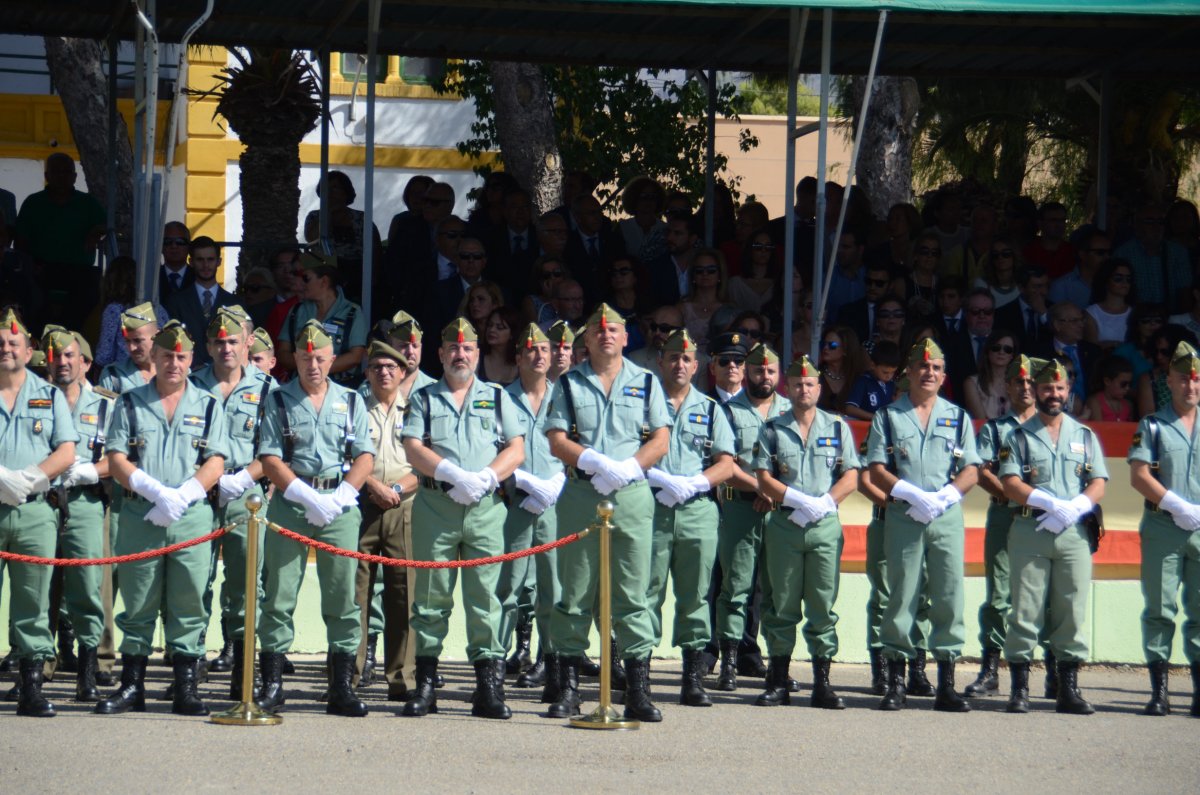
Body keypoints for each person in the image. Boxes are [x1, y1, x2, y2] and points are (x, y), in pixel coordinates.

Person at [544, 304, 670, 721]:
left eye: (613, 329)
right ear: (586, 339)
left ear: (626, 337)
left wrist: (629, 468)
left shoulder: (646, 382)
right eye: (597, 330)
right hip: (583, 493)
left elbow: (661, 438)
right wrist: (593, 462)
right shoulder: (569, 383)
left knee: (633, 594)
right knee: (575, 592)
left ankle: (638, 691)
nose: (605, 335)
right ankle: (569, 690)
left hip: (632, 495)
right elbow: (556, 439)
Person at [96, 320, 227, 718]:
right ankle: (132, 686)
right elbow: (116, 457)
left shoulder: (208, 404)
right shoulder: (130, 402)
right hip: (141, 513)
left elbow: (216, 460)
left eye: (181, 357)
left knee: (189, 601)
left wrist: (182, 496)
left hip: (191, 515)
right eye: (167, 355)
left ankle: (185, 688)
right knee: (137, 601)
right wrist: (156, 492)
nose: (174, 363)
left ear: (191, 359)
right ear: (153, 356)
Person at [400, 318, 524, 719]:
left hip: (485, 509)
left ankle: (488, 688)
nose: (460, 355)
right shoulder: (424, 398)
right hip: (436, 506)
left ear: (477, 353)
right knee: (430, 598)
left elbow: (516, 449)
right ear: (440, 354)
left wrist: (485, 477)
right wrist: (452, 474)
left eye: (467, 348)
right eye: (453, 349)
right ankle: (425, 686)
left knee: (485, 599)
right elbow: (412, 447)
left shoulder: (497, 396)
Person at [256, 320, 374, 718]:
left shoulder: (351, 400)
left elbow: (365, 455)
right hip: (292, 502)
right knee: (278, 595)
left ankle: (341, 686)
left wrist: (342, 495)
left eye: (321, 358)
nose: (313, 365)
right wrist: (305, 495)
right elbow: (270, 457)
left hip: (338, 505)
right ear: (296, 358)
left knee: (343, 597)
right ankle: (273, 685)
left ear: (333, 358)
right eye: (306, 358)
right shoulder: (278, 400)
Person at [866, 338, 981, 712]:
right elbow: (876, 468)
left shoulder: (958, 417)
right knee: (901, 594)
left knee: (949, 594)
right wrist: (912, 495)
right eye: (923, 366)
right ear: (910, 372)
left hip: (945, 516)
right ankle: (896, 682)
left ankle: (946, 684)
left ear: (944, 376)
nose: (929, 372)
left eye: (936, 368)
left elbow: (971, 469)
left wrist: (944, 497)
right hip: (905, 516)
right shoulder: (888, 416)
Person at [998, 356, 1107, 715]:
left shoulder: (1084, 435)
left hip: (1074, 532)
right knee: (1025, 609)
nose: (1054, 394)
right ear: (1035, 390)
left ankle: (1068, 689)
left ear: (1068, 390)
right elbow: (1009, 481)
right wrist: (1047, 502)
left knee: (1071, 609)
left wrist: (1076, 507)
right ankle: (1020, 689)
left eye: (1059, 387)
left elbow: (1097, 481)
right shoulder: (1018, 435)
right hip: (1031, 528)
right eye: (1047, 388)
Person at [752, 354, 860, 708]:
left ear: (819, 387)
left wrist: (825, 502)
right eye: (797, 384)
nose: (803, 389)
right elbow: (763, 476)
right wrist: (796, 499)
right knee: (781, 603)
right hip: (785, 524)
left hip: (824, 526)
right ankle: (778, 680)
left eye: (809, 384)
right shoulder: (772, 428)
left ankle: (823, 684)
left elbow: (851, 475)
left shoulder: (837, 427)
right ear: (788, 388)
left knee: (822, 604)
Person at [188, 308, 276, 699]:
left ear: (247, 343)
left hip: (246, 495)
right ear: (208, 346)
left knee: (246, 585)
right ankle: (189, 668)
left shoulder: (268, 388)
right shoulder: (191, 385)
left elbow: (275, 447)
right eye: (218, 342)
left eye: (233, 341)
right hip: (198, 495)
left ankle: (243, 672)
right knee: (193, 582)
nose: (226, 348)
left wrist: (240, 479)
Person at [645, 329, 734, 707]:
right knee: (645, 592)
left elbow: (726, 463)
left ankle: (692, 678)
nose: (679, 365)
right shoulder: (643, 405)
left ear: (696, 366)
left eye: (686, 359)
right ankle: (638, 676)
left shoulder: (711, 409)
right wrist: (658, 478)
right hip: (651, 507)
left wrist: (695, 483)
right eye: (672, 358)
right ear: (660, 362)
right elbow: (625, 452)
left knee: (696, 594)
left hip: (697, 510)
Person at [0, 309, 75, 717]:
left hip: (34, 511)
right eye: (0, 343)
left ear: (29, 352)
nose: (6, 349)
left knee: (34, 602)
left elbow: (66, 451)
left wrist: (28, 479)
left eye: (14, 343)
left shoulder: (50, 395)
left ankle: (30, 688)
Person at [354, 332, 428, 703]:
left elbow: (425, 462)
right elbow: (345, 454)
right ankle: (349, 676)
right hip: (361, 503)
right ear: (367, 372)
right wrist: (372, 485)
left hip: (404, 505)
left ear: (402, 372)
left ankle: (402, 678)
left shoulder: (417, 408)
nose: (384, 372)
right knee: (355, 595)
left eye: (390, 366)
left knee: (403, 594)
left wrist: (395, 490)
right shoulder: (354, 406)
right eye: (376, 367)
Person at [42, 327, 114, 702]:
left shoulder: (106, 406)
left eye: (70, 355)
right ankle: (36, 668)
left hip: (85, 501)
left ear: (85, 362)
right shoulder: (34, 400)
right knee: (38, 588)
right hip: (40, 501)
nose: (63, 362)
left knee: (87, 587)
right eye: (56, 356)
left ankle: (88, 672)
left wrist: (92, 470)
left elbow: (123, 458)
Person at [1128, 341, 1200, 717]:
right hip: (1163, 526)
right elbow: (1139, 475)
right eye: (1183, 379)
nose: (1190, 386)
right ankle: (1160, 691)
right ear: (1168, 382)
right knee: (1159, 608)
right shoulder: (1153, 425)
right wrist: (1176, 505)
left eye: (1196, 379)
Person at [714, 343, 792, 691]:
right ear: (747, 372)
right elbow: (724, 464)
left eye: (771, 370)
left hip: (780, 512)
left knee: (777, 591)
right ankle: (729, 663)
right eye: (758, 370)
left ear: (779, 374)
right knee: (735, 586)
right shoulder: (728, 412)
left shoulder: (791, 411)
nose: (765, 376)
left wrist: (773, 493)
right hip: (740, 508)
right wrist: (761, 488)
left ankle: (776, 665)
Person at [962, 354, 1038, 697]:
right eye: (1018, 381)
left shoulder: (1052, 428)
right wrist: (1011, 495)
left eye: (1031, 381)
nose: (1025, 387)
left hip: (1044, 520)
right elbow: (980, 470)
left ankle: (1055, 670)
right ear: (1007, 386)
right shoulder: (995, 429)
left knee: (1046, 596)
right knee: (999, 595)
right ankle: (991, 669)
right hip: (1006, 515)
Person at [498, 325, 566, 693]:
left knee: (552, 589)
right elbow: (492, 449)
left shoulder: (565, 398)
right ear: (518, 357)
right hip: (514, 504)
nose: (538, 355)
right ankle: (494, 662)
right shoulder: (502, 399)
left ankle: (550, 662)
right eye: (530, 350)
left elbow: (579, 447)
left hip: (556, 505)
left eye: (543, 349)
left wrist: (558, 483)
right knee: (507, 588)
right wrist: (520, 480)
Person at [14, 152, 106, 331]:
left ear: (74, 176)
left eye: (66, 172)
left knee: (93, 289)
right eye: (56, 172)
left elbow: (105, 226)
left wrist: (96, 232)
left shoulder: (88, 203)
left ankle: (69, 334)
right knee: (28, 291)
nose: (62, 176)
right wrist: (28, 264)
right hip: (41, 268)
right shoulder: (33, 203)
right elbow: (20, 239)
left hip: (79, 270)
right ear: (47, 176)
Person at [277, 252, 368, 387]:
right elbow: (283, 353)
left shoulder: (352, 312)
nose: (300, 282)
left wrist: (317, 369)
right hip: (300, 387)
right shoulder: (296, 311)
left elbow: (356, 356)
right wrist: (309, 370)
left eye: (305, 278)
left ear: (324, 281)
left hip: (340, 387)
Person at [303, 171, 384, 306]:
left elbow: (375, 250)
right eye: (326, 189)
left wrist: (373, 280)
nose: (330, 193)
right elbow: (311, 238)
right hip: (326, 274)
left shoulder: (361, 218)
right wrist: (328, 213)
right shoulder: (315, 216)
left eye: (335, 188)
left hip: (358, 275)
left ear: (346, 192)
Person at [1116, 203, 1191, 314]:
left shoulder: (1178, 253)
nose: (1156, 226)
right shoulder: (1123, 254)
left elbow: (1185, 292)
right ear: (1136, 225)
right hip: (1134, 317)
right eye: (1149, 221)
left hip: (1171, 317)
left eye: (1160, 222)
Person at [95, 258, 170, 369]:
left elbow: (104, 355)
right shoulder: (157, 308)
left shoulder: (114, 310)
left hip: (125, 371)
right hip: (156, 368)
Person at [98, 303, 159, 394]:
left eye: (137, 340)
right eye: (127, 341)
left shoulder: (173, 372)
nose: (131, 348)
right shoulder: (113, 376)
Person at [678, 247, 732, 350]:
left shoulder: (729, 310)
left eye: (711, 270)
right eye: (699, 270)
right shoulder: (681, 309)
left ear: (720, 275)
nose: (705, 274)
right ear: (693, 275)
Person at [962, 330, 1018, 420]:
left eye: (1008, 349)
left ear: (1012, 355)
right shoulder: (972, 383)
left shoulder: (1019, 383)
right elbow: (981, 420)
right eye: (996, 348)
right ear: (988, 351)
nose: (1001, 352)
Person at [1084, 259, 1135, 350]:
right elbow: (1092, 349)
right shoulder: (1092, 313)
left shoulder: (1136, 312)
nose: (1124, 283)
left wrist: (1110, 345)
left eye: (1128, 279)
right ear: (1105, 280)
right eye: (1118, 278)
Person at [617, 175, 667, 266]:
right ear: (633, 199)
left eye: (652, 197)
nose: (648, 201)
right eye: (643, 196)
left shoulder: (666, 229)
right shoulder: (623, 228)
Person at [816, 326, 866, 414]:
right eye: (823, 344)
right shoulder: (815, 375)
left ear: (845, 350)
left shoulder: (858, 378)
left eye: (832, 345)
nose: (825, 348)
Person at [727, 230, 779, 315]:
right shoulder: (735, 284)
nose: (763, 250)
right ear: (749, 250)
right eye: (758, 246)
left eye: (768, 246)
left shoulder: (779, 283)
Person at [845, 340, 899, 421]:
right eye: (885, 372)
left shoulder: (891, 384)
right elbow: (850, 409)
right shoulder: (863, 381)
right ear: (873, 365)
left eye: (893, 372)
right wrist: (875, 417)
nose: (889, 376)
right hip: (865, 426)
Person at [1022, 201, 1076, 280]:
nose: (1059, 225)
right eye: (1053, 220)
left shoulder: (1073, 253)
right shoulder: (1028, 252)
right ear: (1040, 224)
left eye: (1062, 220)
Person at [478, 305, 520, 386]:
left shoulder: (522, 362)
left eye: (500, 327)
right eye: (490, 325)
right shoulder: (477, 357)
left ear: (512, 334)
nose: (492, 330)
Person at [521, 256, 568, 327]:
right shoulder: (531, 301)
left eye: (557, 273)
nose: (552, 278)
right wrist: (550, 298)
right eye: (546, 275)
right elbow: (534, 331)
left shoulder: (572, 297)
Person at [1085, 356, 1134, 422]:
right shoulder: (1095, 403)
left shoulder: (1128, 405)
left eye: (1130, 384)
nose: (1127, 388)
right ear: (1107, 381)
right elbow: (1097, 428)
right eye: (1123, 384)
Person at [158, 221, 194, 305]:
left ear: (189, 246)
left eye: (180, 241)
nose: (174, 246)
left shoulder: (199, 278)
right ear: (161, 246)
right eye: (167, 242)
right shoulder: (151, 279)